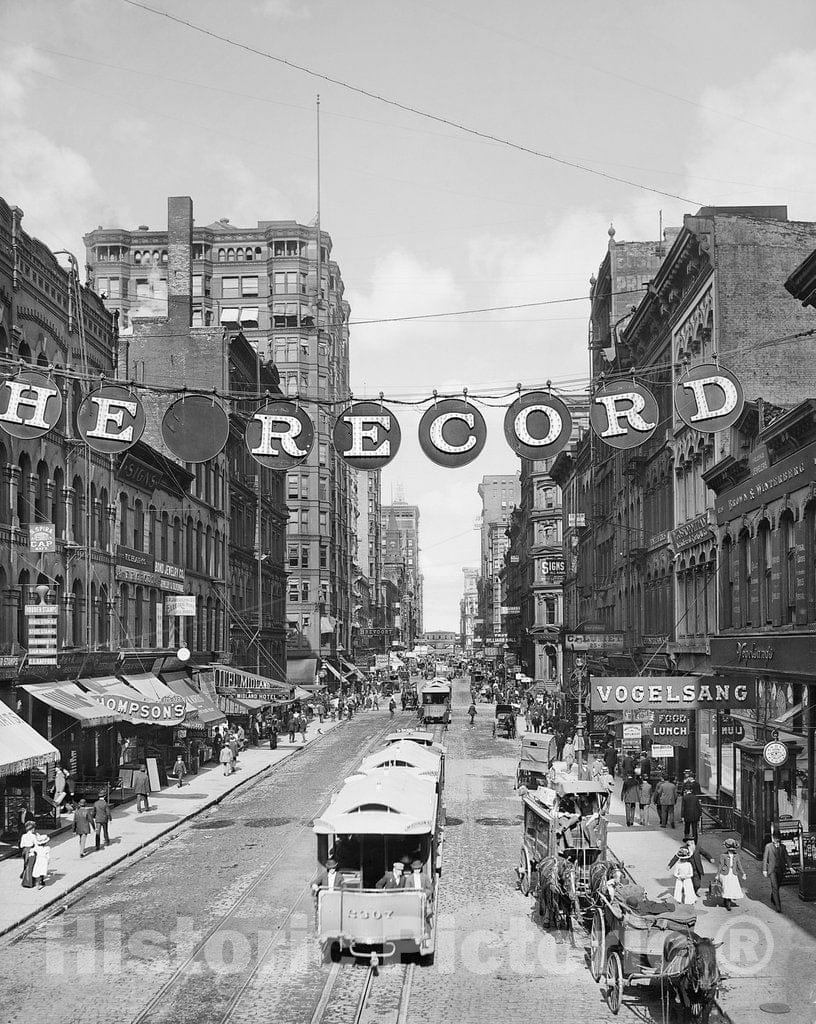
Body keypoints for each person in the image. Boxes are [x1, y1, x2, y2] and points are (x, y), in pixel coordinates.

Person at [762, 831, 791, 913]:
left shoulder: (783, 847)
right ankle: (778, 907)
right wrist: (764, 869)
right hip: (772, 870)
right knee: (775, 887)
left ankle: (773, 896)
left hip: (781, 870)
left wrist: (790, 867)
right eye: (774, 838)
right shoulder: (768, 846)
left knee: (777, 885)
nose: (776, 840)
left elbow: (787, 857)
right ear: (773, 838)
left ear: (779, 839)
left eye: (777, 838)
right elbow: (765, 858)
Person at [718, 837, 747, 910]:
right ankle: (727, 904)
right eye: (730, 850)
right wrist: (717, 875)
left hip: (733, 873)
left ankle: (727, 900)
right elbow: (720, 865)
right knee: (726, 887)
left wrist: (743, 873)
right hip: (725, 873)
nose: (731, 851)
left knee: (731, 887)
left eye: (732, 850)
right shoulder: (723, 856)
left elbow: (739, 865)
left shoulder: (736, 856)